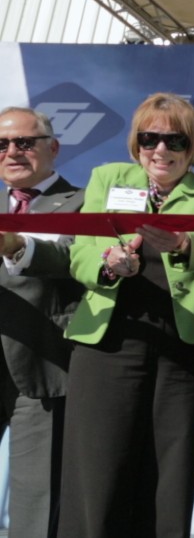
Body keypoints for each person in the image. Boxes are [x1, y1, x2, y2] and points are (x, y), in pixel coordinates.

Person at [58, 92, 194, 537]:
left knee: (169, 480)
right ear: (136, 143)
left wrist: (186, 245)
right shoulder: (107, 178)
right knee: (97, 475)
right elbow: (80, 252)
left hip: (184, 351)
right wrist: (108, 263)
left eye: (175, 141)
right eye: (149, 138)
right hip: (108, 344)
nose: (160, 150)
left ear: (192, 147)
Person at [0, 107, 84, 538]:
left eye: (24, 142)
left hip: (45, 365)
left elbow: (77, 260)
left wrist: (16, 245)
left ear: (53, 147)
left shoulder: (83, 203)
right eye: (2, 144)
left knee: (36, 502)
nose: (12, 152)